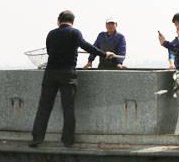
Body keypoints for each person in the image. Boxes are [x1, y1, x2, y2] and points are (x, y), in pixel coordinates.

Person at [29, 11, 115, 147]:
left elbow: (50, 51)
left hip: (50, 73)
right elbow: (86, 46)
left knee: (44, 108)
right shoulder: (75, 33)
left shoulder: (51, 34)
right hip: (67, 74)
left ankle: (36, 139)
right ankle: (67, 141)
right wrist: (104, 54)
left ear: (59, 21)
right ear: (73, 22)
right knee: (68, 108)